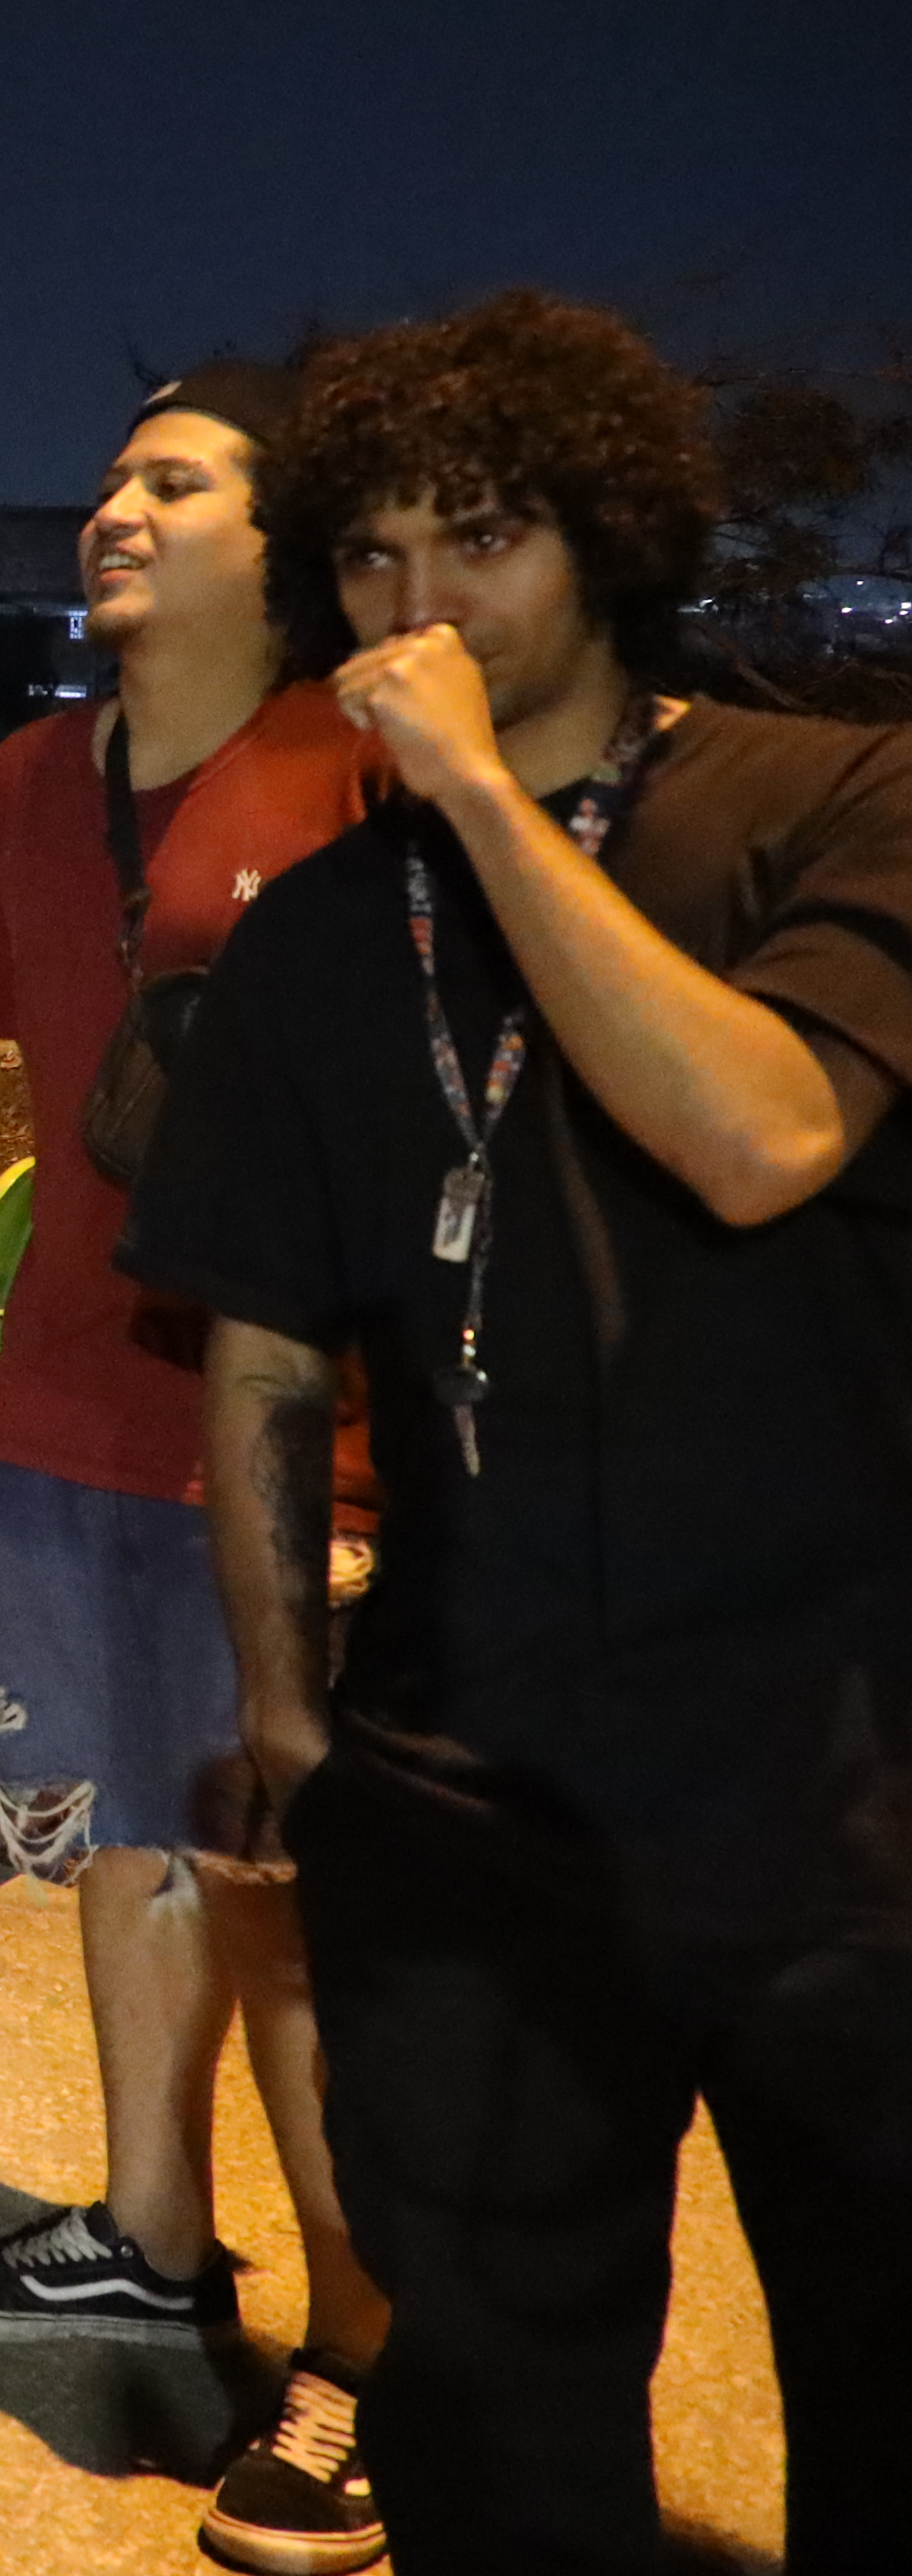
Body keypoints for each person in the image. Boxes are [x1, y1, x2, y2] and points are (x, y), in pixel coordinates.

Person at [126, 293, 912, 2576]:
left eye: (481, 541)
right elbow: (264, 1353)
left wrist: (478, 793)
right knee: (497, 2390)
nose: (415, 609)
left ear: (608, 542)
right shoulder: (312, 949)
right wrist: (287, 1717)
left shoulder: (836, 798)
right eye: (368, 559)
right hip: (467, 1791)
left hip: (830, 1774)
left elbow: (760, 1134)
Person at [0, 366, 393, 2576]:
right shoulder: (22, 786)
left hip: (298, 1430)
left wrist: (382, 1461)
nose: (117, 506)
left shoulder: (365, 774)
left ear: (282, 553)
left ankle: (371, 2370)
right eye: (109, 474)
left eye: (174, 483)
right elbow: (11, 1063)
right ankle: (152, 2234)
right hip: (72, 1406)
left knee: (293, 1903)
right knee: (116, 1835)